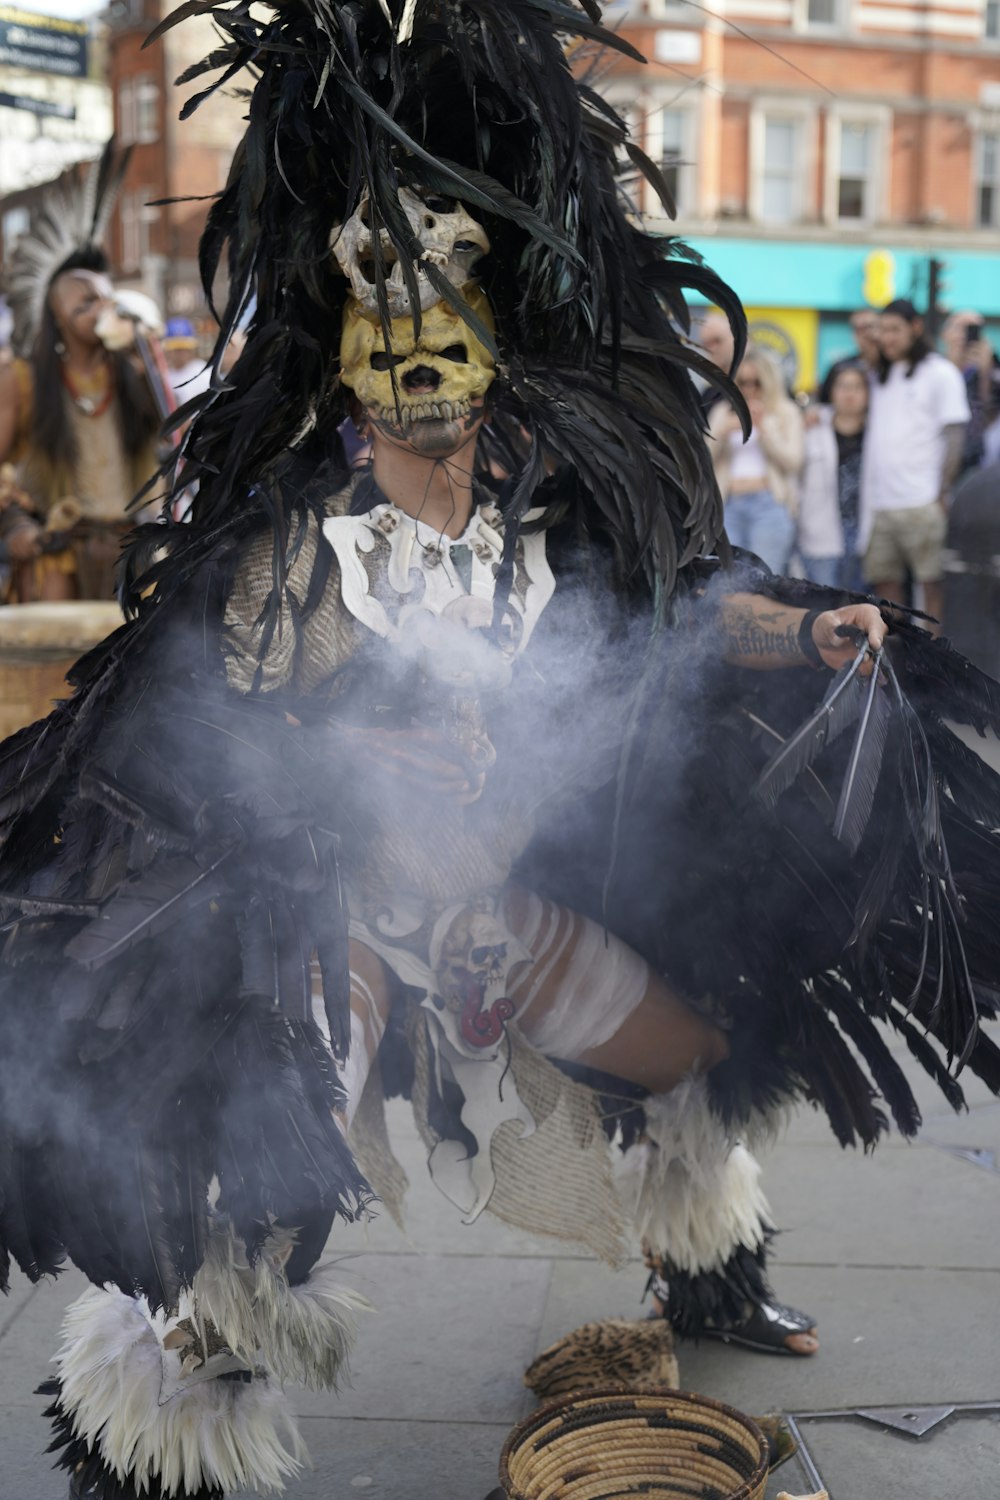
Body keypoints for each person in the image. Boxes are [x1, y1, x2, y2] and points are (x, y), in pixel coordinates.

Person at [1, 7, 1000, 1499]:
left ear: (491, 365)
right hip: (329, 926)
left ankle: (712, 1278)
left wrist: (809, 637)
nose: (428, 397)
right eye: (393, 366)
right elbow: (193, 736)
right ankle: (142, 1440)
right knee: (265, 1179)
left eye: (448, 365)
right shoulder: (294, 559)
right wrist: (341, 752)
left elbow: (677, 618)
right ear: (349, 376)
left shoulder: (550, 519)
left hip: (489, 918)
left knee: (692, 1061)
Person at [0, 147, 162, 602]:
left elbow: (178, 435)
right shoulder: (22, 380)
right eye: (83, 303)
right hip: (58, 563)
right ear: (57, 317)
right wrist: (14, 524)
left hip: (131, 557)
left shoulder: (133, 371)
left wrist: (148, 356)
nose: (99, 310)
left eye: (105, 299)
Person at [860, 298, 970, 627]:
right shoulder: (881, 374)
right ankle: (897, 658)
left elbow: (955, 436)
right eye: (883, 330)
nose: (887, 338)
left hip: (923, 502)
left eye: (895, 329)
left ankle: (935, 667)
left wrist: (942, 492)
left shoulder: (940, 372)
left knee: (932, 589)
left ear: (916, 328)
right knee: (886, 591)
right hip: (881, 505)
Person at [707, 348, 804, 574]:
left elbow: (794, 462)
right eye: (742, 382)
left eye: (757, 382)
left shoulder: (785, 412)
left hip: (768, 505)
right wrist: (722, 431)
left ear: (769, 381)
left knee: (766, 580)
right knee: (727, 580)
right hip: (728, 505)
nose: (749, 389)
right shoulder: (723, 412)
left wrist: (764, 431)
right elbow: (702, 459)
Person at [797, 363, 868, 593]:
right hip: (819, 533)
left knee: (860, 606)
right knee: (824, 605)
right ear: (832, 390)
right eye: (843, 386)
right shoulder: (812, 428)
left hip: (864, 536)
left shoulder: (877, 431)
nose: (850, 394)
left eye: (857, 387)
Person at [941, 310, 1000, 474]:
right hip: (938, 456)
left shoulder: (991, 370)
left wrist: (986, 373)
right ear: (945, 334)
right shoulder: (934, 367)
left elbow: (991, 413)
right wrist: (952, 367)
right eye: (960, 328)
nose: (964, 336)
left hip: (974, 460)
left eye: (973, 329)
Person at [817, 308, 879, 404]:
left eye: (869, 326)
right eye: (859, 329)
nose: (866, 333)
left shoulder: (893, 365)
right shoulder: (841, 367)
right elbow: (823, 403)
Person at [162, 316, 211, 406]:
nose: (180, 353)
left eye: (184, 348)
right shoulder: (165, 375)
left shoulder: (204, 373)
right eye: (176, 349)